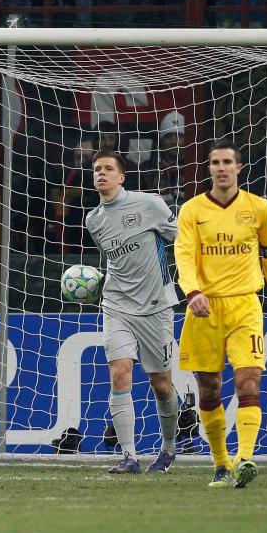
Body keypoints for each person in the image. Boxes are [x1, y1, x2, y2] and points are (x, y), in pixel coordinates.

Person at [175, 140, 267, 488]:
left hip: (245, 304)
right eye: (215, 163)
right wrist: (193, 292)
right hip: (204, 308)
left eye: (228, 162)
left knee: (248, 381)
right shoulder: (192, 210)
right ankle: (221, 463)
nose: (222, 167)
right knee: (209, 390)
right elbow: (184, 256)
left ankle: (245, 457)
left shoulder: (260, 209)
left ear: (239, 168)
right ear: (209, 169)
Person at [83, 151, 180, 474]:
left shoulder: (149, 205)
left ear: (121, 177)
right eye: (97, 169)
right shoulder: (93, 219)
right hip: (116, 304)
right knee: (119, 372)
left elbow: (179, 240)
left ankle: (168, 448)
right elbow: (113, 260)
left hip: (155, 307)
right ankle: (129, 456)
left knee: (161, 384)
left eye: (108, 168)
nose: (101, 173)